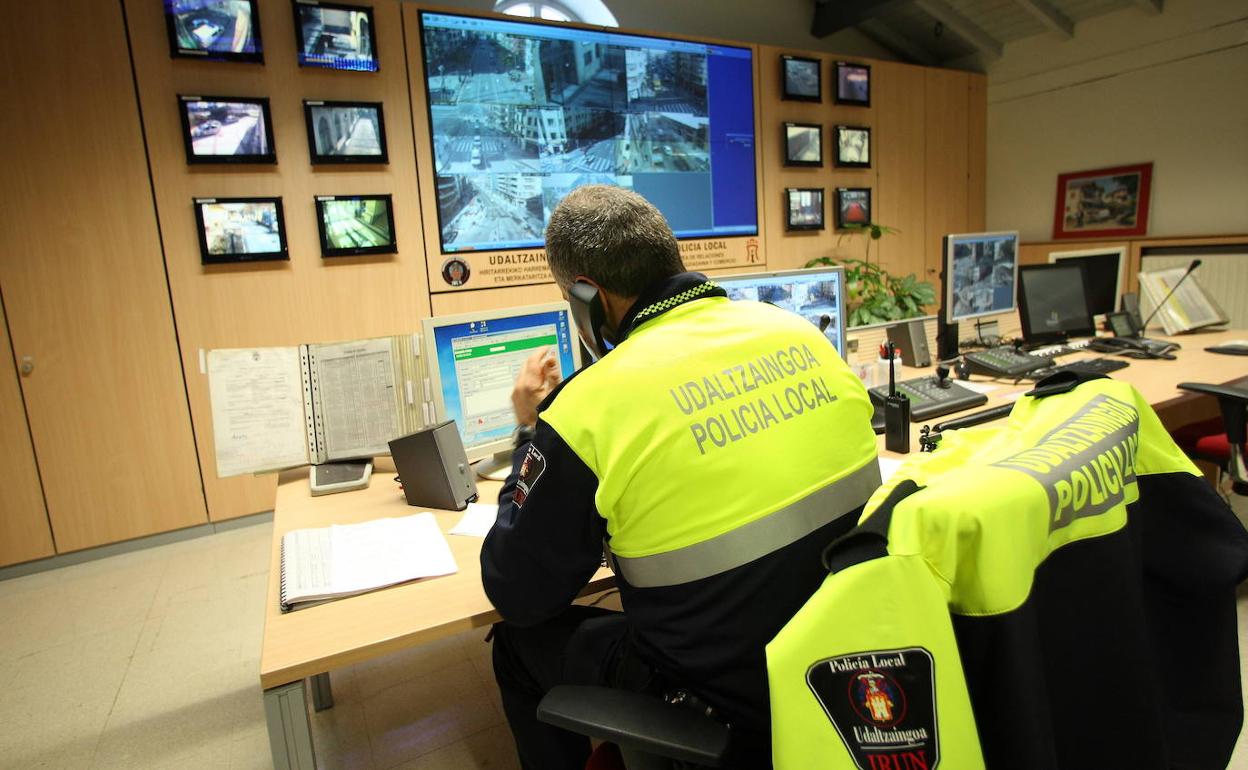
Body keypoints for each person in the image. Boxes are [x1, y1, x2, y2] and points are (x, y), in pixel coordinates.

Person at [481, 185, 880, 769]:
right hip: (847, 654)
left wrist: (533, 431)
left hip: (722, 699)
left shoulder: (588, 406)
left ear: (588, 295)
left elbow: (517, 592)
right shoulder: (800, 334)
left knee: (516, 644)